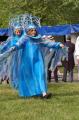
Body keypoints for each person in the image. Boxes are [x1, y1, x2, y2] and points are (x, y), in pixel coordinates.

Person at [0, 14, 64, 99]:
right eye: (31, 30)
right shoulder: (25, 38)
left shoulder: (39, 38)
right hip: (27, 62)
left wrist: (58, 44)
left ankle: (44, 93)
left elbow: (48, 43)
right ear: (28, 31)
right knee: (29, 77)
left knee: (40, 75)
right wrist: (14, 47)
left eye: (34, 30)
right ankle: (32, 92)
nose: (33, 31)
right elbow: (18, 44)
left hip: (38, 60)